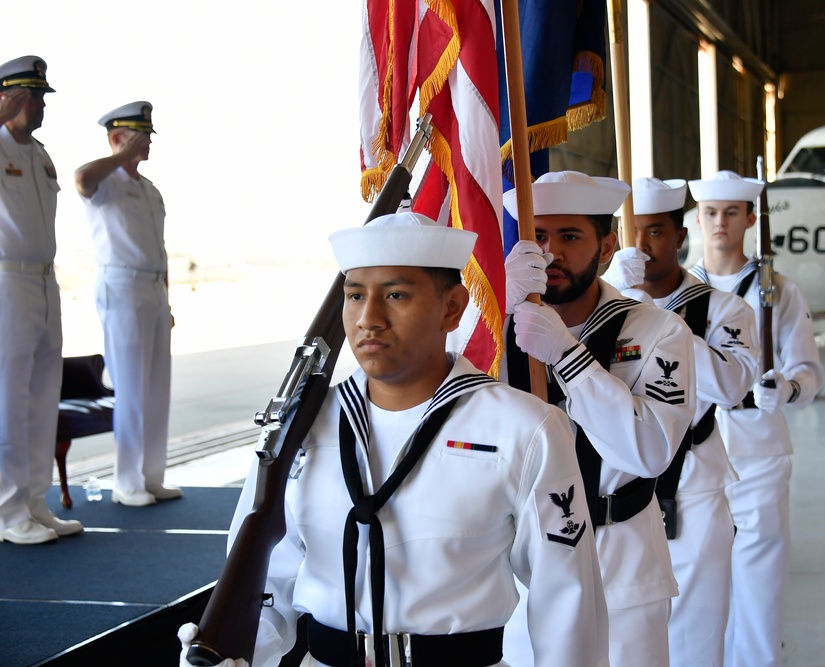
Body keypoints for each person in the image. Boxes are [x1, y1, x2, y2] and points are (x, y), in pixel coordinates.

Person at [179, 212, 610, 667]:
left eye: (396, 294)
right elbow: (267, 582)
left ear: (452, 307)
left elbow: (566, 599)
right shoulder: (301, 426)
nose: (369, 319)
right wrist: (229, 653)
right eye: (355, 295)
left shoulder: (524, 428)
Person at [500, 171, 696, 667]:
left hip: (620, 558)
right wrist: (500, 313)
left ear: (607, 247)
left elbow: (650, 451)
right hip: (524, 562)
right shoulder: (497, 333)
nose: (551, 253)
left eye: (570, 237)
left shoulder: (657, 331)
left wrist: (567, 357)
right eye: (538, 236)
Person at [602, 177, 758, 667]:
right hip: (620, 492)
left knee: (696, 637)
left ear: (679, 236)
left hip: (693, 486)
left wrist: (660, 325)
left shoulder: (722, 309)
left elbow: (732, 386)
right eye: (631, 233)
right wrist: (623, 305)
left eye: (654, 232)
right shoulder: (603, 310)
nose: (642, 247)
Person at [687, 170, 824, 667]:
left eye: (730, 213)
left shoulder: (779, 290)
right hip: (695, 453)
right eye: (710, 212)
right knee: (698, 589)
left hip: (759, 450)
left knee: (760, 587)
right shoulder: (677, 292)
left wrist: (787, 386)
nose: (719, 222)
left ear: (749, 218)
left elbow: (808, 369)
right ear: (697, 219)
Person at [75, 101, 179, 507]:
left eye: (149, 135)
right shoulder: (106, 184)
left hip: (152, 290)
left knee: (156, 387)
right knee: (132, 388)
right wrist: (119, 156)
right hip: (121, 287)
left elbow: (161, 250)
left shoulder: (149, 190)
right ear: (118, 137)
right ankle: (126, 481)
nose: (148, 141)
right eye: (141, 135)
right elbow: (82, 177)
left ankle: (151, 477)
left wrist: (167, 301)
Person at [0, 56, 82, 545]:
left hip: (45, 284)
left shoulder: (41, 155)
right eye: (31, 95)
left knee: (39, 398)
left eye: (43, 96)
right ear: (8, 96)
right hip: (7, 282)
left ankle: (35, 503)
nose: (40, 104)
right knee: (9, 400)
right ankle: (9, 511)